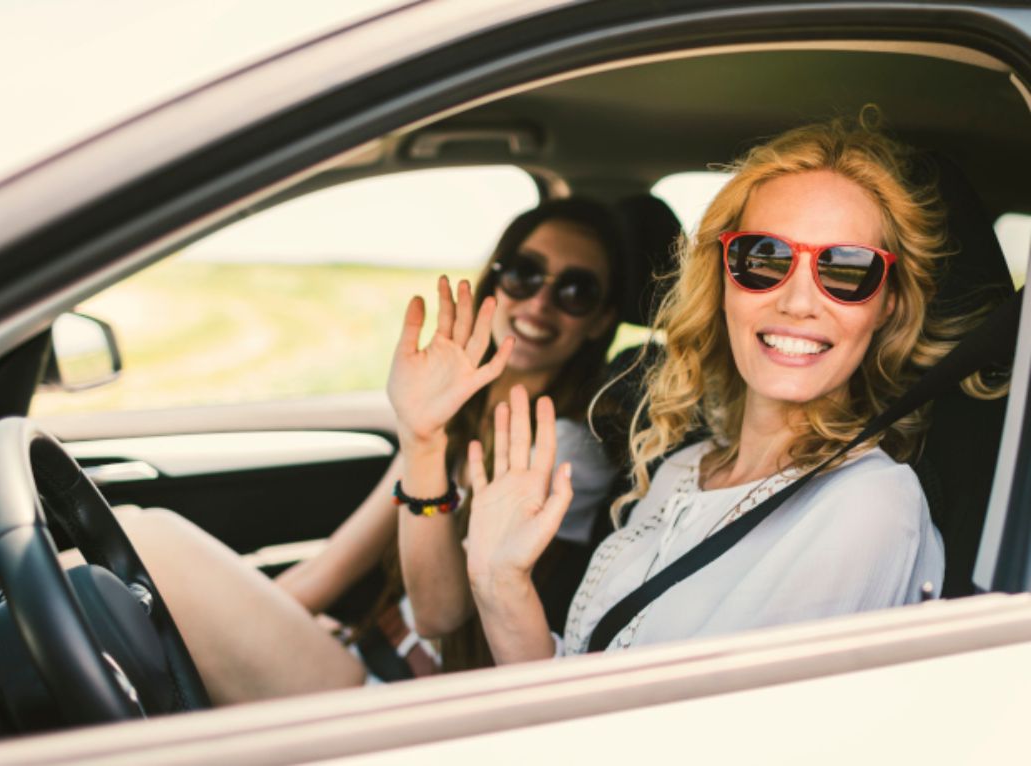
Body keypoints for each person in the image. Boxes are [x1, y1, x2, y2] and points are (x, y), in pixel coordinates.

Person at [441, 115, 1003, 664]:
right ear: (723, 279)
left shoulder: (867, 506)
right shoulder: (681, 469)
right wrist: (500, 581)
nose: (798, 302)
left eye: (847, 270)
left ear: (887, 306)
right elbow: (577, 687)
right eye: (764, 259)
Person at [110, 197, 625, 703]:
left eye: (576, 291)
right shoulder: (459, 411)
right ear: (498, 279)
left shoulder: (565, 449)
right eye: (525, 274)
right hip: (362, 653)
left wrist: (423, 442)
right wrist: (243, 624)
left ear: (601, 321)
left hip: (403, 699)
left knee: (148, 536)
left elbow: (440, 615)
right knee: (131, 557)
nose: (539, 303)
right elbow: (333, 567)